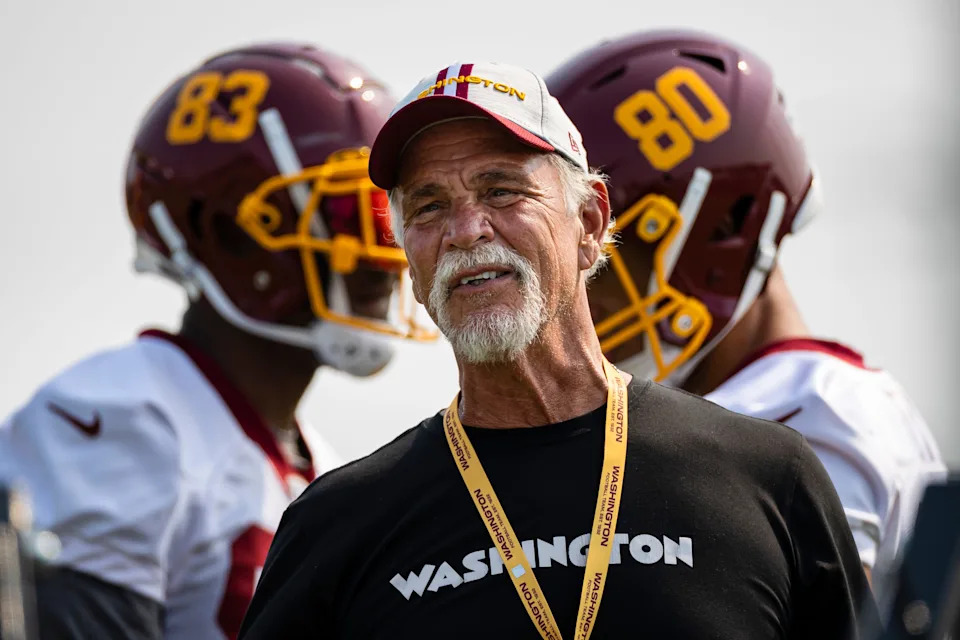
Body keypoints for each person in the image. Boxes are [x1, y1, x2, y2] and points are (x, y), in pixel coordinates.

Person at [240, 60, 878, 639]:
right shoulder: (336, 527)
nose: (466, 230)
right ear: (409, 259)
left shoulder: (770, 477)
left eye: (501, 190)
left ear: (591, 225)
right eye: (429, 206)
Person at [0, 42, 431, 639]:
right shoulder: (121, 420)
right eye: (345, 218)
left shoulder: (324, 467)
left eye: (388, 220)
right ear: (224, 232)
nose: (385, 258)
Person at [546, 29, 947, 589]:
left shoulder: (813, 412)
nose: (570, 289)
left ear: (722, 228)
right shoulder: (753, 409)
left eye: (603, 255)